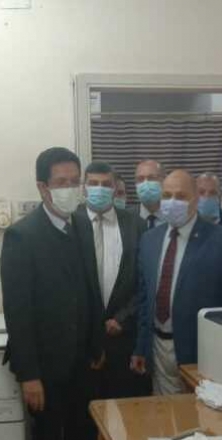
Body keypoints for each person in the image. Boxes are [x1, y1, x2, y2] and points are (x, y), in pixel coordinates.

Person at [0, 147, 104, 440]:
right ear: (43, 187)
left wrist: (96, 343)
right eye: (62, 182)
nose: (70, 189)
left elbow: (90, 289)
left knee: (82, 435)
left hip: (82, 361)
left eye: (75, 181)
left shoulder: (80, 225)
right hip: (44, 368)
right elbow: (18, 313)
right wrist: (29, 375)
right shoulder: (22, 236)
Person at [131, 170, 222, 395]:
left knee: (198, 414)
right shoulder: (149, 240)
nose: (172, 202)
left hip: (200, 355)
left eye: (181, 196)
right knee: (164, 412)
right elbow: (145, 299)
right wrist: (141, 347)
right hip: (157, 348)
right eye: (167, 196)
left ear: (196, 199)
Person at [75, 161, 150, 399]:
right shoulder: (70, 224)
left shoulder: (136, 225)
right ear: (84, 187)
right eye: (93, 183)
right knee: (83, 412)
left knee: (123, 411)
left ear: (115, 187)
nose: (99, 188)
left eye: (106, 184)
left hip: (123, 340)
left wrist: (122, 318)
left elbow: (145, 281)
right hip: (81, 342)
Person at [135, 159, 165, 230]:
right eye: (140, 179)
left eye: (152, 178)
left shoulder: (175, 217)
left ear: (164, 181)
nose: (145, 183)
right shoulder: (126, 219)